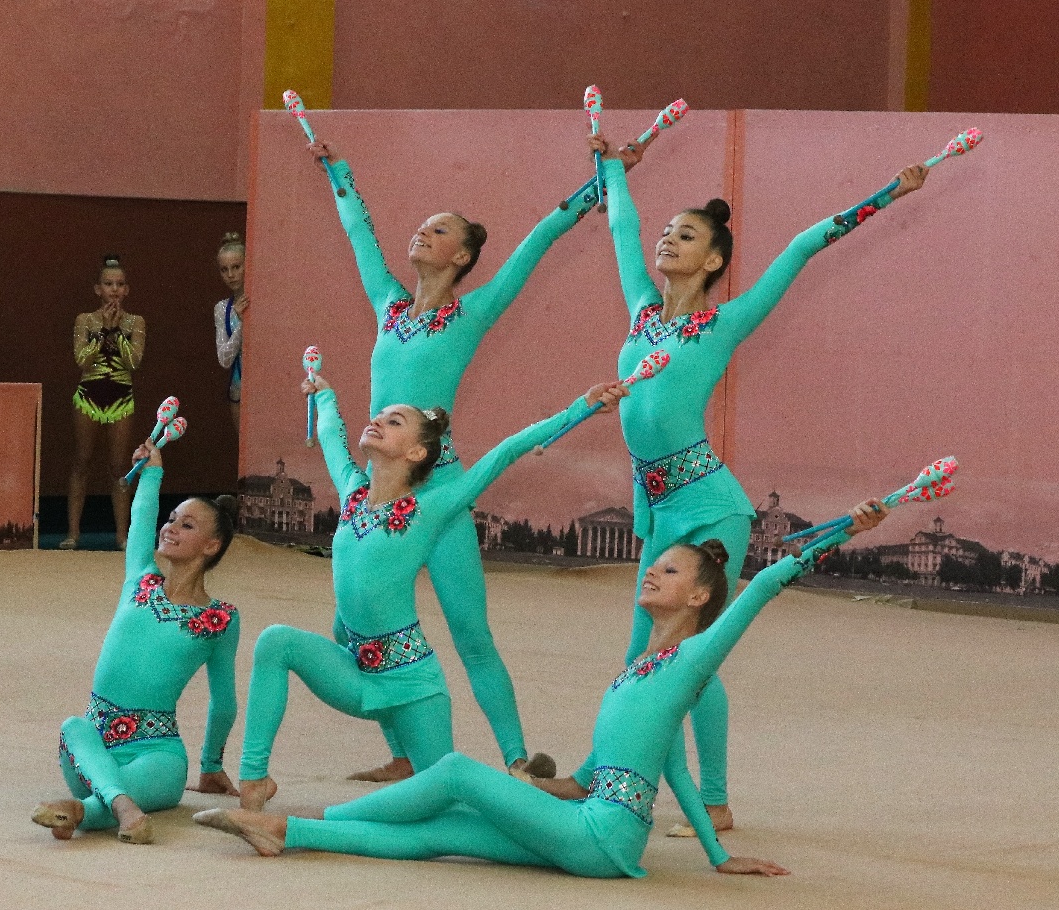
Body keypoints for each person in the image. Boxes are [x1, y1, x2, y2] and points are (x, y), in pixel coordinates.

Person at [197, 501, 888, 876]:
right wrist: (715, 854)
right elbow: (645, 772)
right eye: (653, 565)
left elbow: (762, 587)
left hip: (603, 836)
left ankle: (308, 819)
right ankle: (286, 831)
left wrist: (839, 533)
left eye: (671, 572)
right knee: (445, 830)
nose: (651, 572)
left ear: (702, 596)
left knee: (455, 773)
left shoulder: (693, 658)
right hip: (595, 830)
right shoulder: (638, 672)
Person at [589, 131, 929, 835]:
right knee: (641, 656)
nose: (666, 240)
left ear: (713, 260)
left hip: (711, 508)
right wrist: (613, 171)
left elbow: (801, 248)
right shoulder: (641, 312)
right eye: (667, 232)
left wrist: (888, 194)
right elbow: (621, 227)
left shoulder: (724, 322)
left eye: (685, 235)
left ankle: (712, 800)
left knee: (689, 659)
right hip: (661, 506)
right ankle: (605, 779)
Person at [304, 135, 620, 780]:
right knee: (351, 629)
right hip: (379, 490)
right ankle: (403, 753)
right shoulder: (389, 306)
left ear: (463, 256)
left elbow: (536, 244)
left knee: (471, 632)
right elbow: (359, 233)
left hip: (439, 491)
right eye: (422, 226)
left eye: (438, 229)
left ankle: (517, 761)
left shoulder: (471, 313)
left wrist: (601, 180)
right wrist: (338, 170)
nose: (422, 232)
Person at [234, 373, 626, 812]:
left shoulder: (432, 508)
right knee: (275, 641)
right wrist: (323, 394)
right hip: (357, 674)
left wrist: (582, 406)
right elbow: (329, 434)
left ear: (417, 452)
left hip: (412, 685)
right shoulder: (351, 493)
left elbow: (507, 450)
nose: (378, 421)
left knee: (441, 805)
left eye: (394, 421)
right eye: (379, 416)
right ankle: (254, 781)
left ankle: (531, 794)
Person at [31, 437, 241, 844]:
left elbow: (224, 702)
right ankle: (120, 807)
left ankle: (85, 810)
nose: (170, 527)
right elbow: (142, 519)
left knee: (147, 777)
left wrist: (211, 765)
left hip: (158, 756)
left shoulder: (220, 620)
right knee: (73, 726)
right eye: (172, 518)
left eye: (187, 525)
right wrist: (152, 473)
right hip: (91, 749)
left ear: (211, 546)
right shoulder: (140, 580)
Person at [62, 255, 146, 550]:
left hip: (121, 399)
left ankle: (122, 536)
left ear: (127, 289)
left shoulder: (136, 322)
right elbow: (82, 361)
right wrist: (101, 333)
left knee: (119, 466)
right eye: (108, 284)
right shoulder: (84, 320)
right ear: (98, 289)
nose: (114, 290)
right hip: (88, 396)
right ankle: (73, 533)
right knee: (81, 461)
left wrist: (117, 332)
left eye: (119, 284)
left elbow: (133, 362)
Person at [213, 232, 248, 482]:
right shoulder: (222, 308)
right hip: (239, 388)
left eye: (236, 267)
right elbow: (224, 359)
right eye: (224, 270)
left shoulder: (264, 299)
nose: (231, 275)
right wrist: (240, 324)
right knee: (245, 453)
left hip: (265, 385)